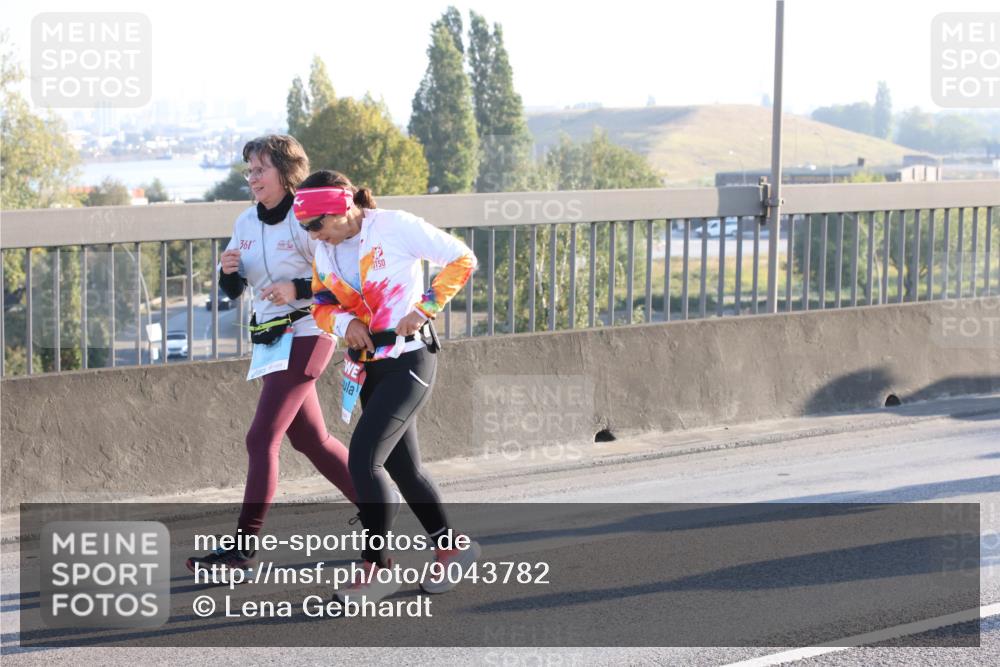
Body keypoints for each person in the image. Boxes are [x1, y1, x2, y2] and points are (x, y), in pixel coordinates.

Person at [294, 170, 481, 603]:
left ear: (342, 206)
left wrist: (426, 307)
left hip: (409, 359)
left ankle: (376, 569)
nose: (312, 235)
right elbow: (321, 303)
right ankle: (451, 547)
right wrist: (347, 322)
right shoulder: (325, 247)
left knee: (364, 460)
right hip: (366, 367)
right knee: (403, 468)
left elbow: (462, 258)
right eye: (305, 227)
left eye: (315, 224)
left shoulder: (394, 226)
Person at [186, 137, 357, 579]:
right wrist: (226, 272)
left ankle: (243, 550)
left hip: (310, 330)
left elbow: (337, 282)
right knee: (311, 441)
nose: (253, 178)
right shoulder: (244, 221)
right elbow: (232, 291)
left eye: (260, 169)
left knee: (261, 438)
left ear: (285, 171)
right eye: (249, 170)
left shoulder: (307, 218)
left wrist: (297, 290)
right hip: (270, 338)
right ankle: (381, 511)